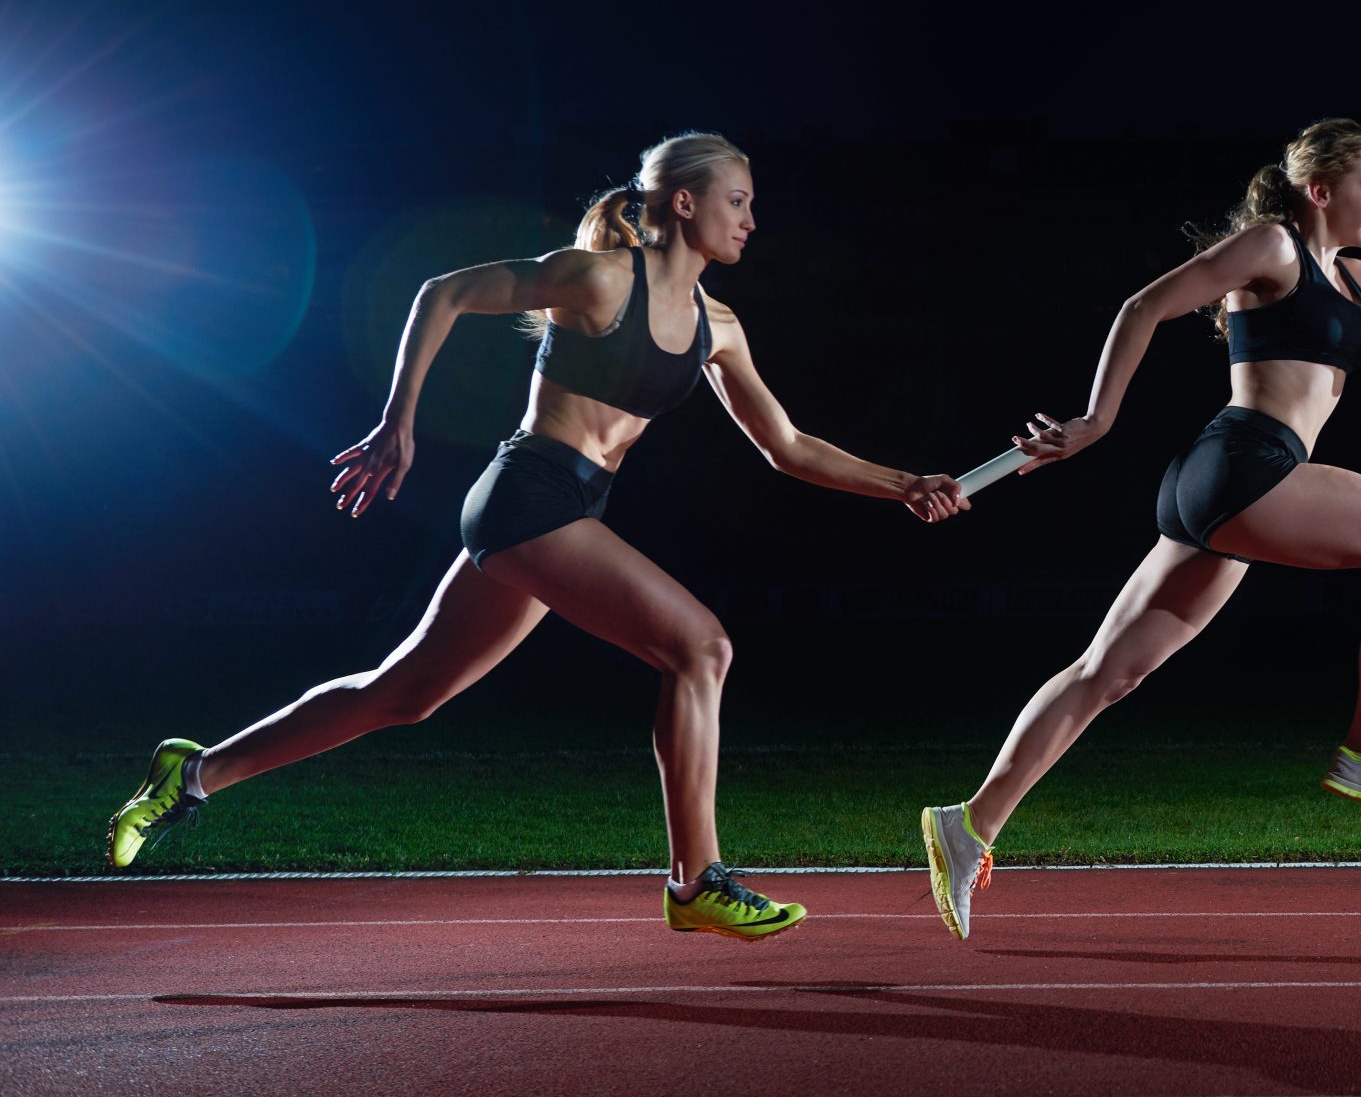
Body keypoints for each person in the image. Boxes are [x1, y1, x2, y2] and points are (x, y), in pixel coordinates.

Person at [109, 131, 968, 939]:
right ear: (681, 205)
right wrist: (398, 424)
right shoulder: (599, 280)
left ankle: (192, 773)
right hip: (527, 494)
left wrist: (906, 485)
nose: (751, 218)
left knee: (406, 693)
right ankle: (695, 883)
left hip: (568, 512)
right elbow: (441, 292)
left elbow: (786, 446)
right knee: (700, 648)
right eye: (737, 200)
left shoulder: (721, 328)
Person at [921, 117, 1361, 940]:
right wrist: (1098, 420)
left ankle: (969, 824)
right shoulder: (1274, 248)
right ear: (1320, 189)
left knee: (1105, 674)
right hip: (1249, 463)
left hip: (1217, 488)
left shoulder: (1359, 282)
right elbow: (1144, 306)